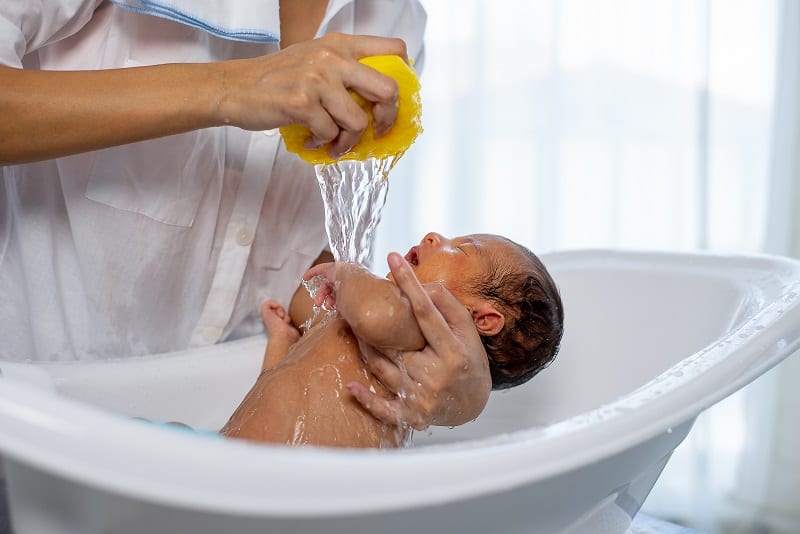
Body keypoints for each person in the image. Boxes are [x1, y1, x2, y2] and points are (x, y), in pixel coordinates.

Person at [0, 1, 494, 429]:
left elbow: (303, 266)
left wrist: (433, 377)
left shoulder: (395, 21)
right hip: (34, 419)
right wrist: (227, 89)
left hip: (226, 428)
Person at [221, 232, 564, 448]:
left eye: (461, 249)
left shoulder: (419, 330)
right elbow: (278, 382)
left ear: (483, 318)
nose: (434, 237)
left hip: (284, 482)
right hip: (260, 464)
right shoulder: (377, 338)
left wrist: (348, 271)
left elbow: (372, 313)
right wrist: (283, 340)